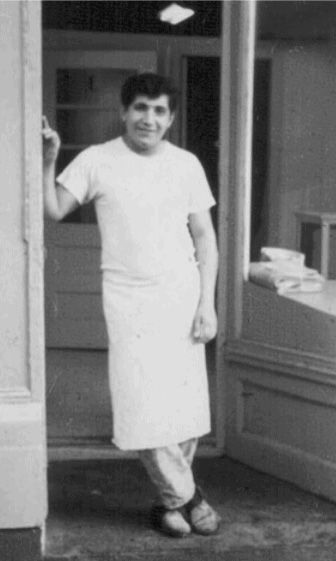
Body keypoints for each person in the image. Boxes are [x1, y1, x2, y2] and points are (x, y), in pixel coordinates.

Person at [42, 72, 221, 538]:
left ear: (171, 119)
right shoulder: (97, 160)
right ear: (123, 111)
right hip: (129, 300)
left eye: (160, 110)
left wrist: (208, 303)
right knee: (143, 404)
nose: (149, 118)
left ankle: (169, 504)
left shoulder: (186, 164)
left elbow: (206, 238)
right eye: (141, 107)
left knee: (185, 411)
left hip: (181, 297)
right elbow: (53, 209)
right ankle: (192, 498)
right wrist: (48, 161)